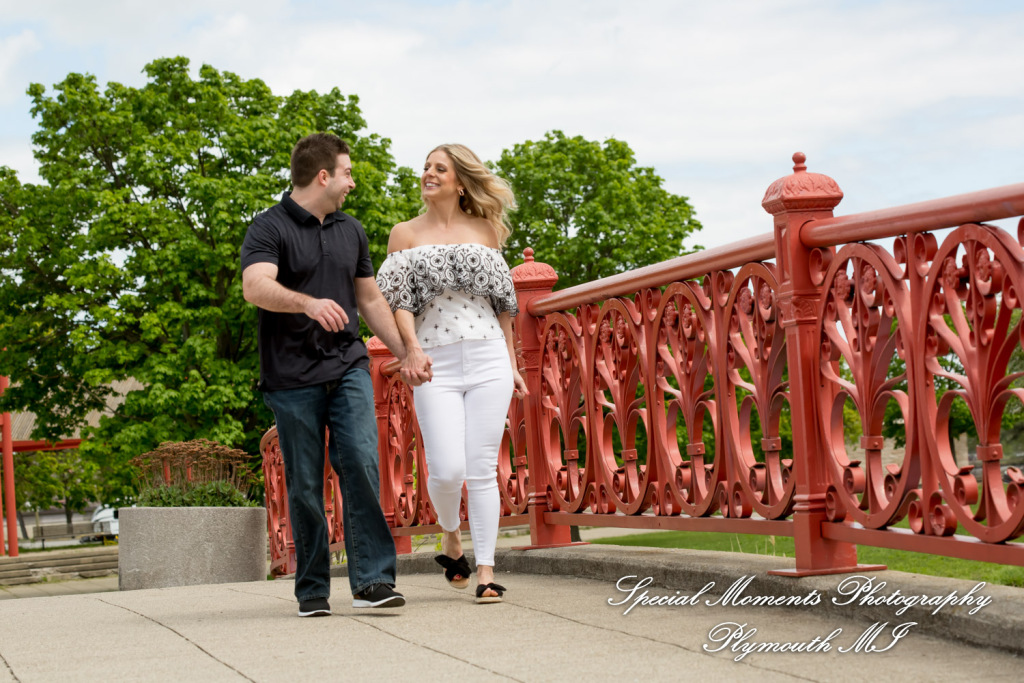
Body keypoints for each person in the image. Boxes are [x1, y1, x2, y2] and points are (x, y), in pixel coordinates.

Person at [241, 133, 431, 617]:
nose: (352, 182)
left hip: (347, 365)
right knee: (304, 484)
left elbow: (368, 299)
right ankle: (312, 590)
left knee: (363, 463)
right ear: (323, 175)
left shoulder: (352, 229)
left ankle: (372, 580)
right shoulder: (268, 227)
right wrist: (307, 303)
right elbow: (255, 286)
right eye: (346, 172)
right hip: (290, 377)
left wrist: (408, 350)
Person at [376, 143, 527, 604]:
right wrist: (411, 352)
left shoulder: (485, 230)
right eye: (425, 167)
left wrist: (513, 364)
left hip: (488, 358)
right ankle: (449, 532)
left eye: (439, 168)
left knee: (481, 469)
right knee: (445, 469)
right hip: (433, 362)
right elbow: (398, 302)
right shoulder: (403, 234)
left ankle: (485, 572)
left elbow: (504, 307)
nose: (428, 174)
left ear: (460, 181)